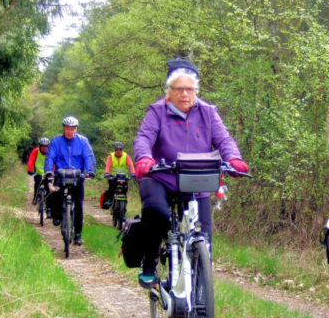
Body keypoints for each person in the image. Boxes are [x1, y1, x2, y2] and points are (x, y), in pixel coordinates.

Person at [133, 57, 249, 289]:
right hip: (161, 176)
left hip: (195, 178)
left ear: (195, 91)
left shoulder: (208, 112)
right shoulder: (157, 111)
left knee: (204, 241)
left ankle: (200, 303)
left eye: (190, 89)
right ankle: (150, 258)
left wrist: (233, 158)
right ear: (170, 91)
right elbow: (144, 137)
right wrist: (145, 158)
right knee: (155, 212)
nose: (185, 94)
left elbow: (223, 139)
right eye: (179, 89)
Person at [44, 116, 96, 246]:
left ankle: (77, 234)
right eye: (67, 128)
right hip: (61, 175)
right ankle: (57, 216)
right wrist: (49, 171)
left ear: (76, 129)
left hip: (77, 177)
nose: (70, 131)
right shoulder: (56, 142)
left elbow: (88, 156)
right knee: (55, 194)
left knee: (78, 205)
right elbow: (50, 157)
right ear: (63, 128)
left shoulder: (83, 142)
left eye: (73, 129)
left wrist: (90, 171)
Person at [102, 141, 135, 209]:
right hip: (113, 177)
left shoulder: (126, 156)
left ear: (122, 149)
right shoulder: (111, 156)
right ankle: (110, 200)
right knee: (111, 188)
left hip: (123, 177)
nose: (118, 151)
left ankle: (123, 210)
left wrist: (133, 173)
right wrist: (106, 173)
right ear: (115, 149)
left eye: (120, 149)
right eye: (117, 149)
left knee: (125, 191)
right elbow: (108, 165)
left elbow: (130, 165)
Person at [27, 137, 51, 212]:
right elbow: (31, 160)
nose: (44, 148)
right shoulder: (36, 151)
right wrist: (30, 170)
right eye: (42, 146)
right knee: (37, 183)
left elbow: (53, 163)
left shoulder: (50, 153)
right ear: (40, 146)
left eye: (46, 146)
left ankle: (48, 209)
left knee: (48, 189)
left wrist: (53, 172)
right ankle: (35, 197)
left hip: (48, 173)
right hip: (38, 173)